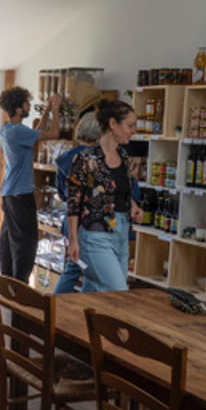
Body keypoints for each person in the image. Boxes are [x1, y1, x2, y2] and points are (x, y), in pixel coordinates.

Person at [65, 100, 144, 292]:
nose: (133, 131)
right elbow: (73, 203)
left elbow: (118, 191)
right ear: (113, 124)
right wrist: (73, 240)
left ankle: (74, 323)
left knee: (95, 295)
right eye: (130, 125)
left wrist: (133, 206)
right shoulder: (85, 159)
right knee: (117, 292)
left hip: (121, 234)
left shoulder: (123, 157)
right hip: (95, 236)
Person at [0, 87, 62, 283]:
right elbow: (54, 133)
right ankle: (20, 287)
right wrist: (57, 108)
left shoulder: (9, 129)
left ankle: (8, 284)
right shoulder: (17, 131)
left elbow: (37, 132)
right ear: (18, 109)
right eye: (26, 104)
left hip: (10, 194)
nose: (28, 106)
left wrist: (48, 109)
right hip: (20, 195)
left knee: (9, 242)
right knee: (26, 244)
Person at [53, 112, 101, 294]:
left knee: (73, 267)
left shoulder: (66, 158)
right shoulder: (98, 160)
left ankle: (54, 308)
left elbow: (62, 194)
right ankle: (85, 312)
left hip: (70, 221)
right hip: (91, 223)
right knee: (91, 271)